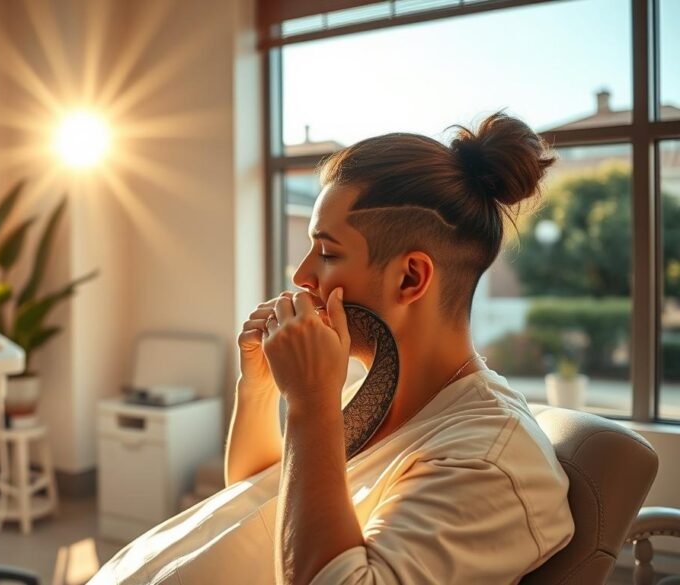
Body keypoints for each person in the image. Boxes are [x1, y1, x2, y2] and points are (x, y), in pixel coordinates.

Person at [88, 113, 574, 585]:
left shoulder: (487, 463)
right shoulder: (376, 394)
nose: (301, 276)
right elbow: (263, 496)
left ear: (410, 278)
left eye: (327, 252)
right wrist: (259, 386)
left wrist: (312, 404)